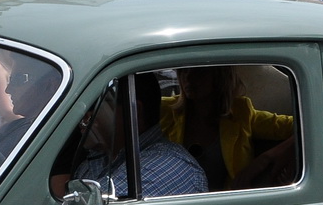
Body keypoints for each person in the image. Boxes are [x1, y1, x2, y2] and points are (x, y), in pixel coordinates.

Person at [64, 72, 206, 198]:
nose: (84, 115)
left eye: (95, 106)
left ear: (134, 112)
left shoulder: (167, 165)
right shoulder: (98, 160)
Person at [162, 67, 297, 191]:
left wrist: (267, 157)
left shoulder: (241, 113)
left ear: (219, 76)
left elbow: (304, 127)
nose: (189, 78)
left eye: (199, 72)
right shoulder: (165, 110)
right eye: (183, 71)